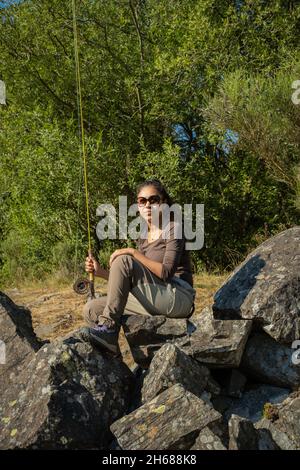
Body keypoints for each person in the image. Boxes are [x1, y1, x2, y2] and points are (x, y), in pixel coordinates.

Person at [82, 178, 196, 356]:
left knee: (124, 259)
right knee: (92, 309)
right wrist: (100, 272)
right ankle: (113, 363)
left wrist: (132, 252)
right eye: (142, 201)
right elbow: (131, 278)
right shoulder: (144, 235)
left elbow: (165, 272)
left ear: (164, 202)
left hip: (177, 296)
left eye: (154, 200)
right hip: (154, 294)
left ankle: (109, 327)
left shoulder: (174, 228)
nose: (148, 205)